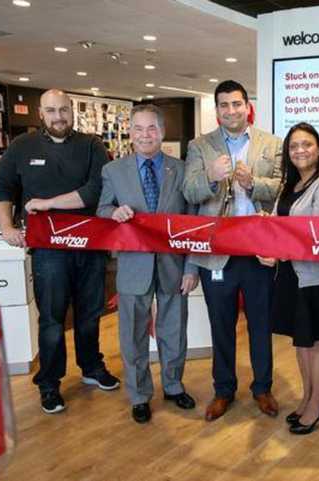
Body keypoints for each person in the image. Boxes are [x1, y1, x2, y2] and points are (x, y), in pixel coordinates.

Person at [0, 89, 120, 414]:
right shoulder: (22, 146)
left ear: (72, 110)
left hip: (89, 245)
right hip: (48, 250)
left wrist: (48, 204)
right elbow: (3, 187)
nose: (58, 116)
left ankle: (91, 367)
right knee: (51, 319)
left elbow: (95, 192)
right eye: (51, 111)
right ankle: (49, 384)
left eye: (63, 109)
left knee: (90, 314)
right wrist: (8, 227)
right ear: (41, 113)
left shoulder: (91, 145)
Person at [183, 80, 282, 421]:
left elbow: (281, 190)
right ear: (217, 109)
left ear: (246, 106)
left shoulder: (271, 143)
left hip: (258, 252)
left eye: (236, 104)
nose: (231, 111)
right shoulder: (199, 146)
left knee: (260, 323)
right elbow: (189, 192)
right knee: (220, 323)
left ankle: (263, 387)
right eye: (223, 105)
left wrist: (253, 183)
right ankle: (223, 389)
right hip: (216, 253)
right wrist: (210, 176)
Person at [96, 104, 199, 424]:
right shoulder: (113, 171)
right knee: (132, 336)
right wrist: (112, 213)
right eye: (138, 129)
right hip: (132, 268)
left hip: (173, 266)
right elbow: (101, 208)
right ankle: (139, 395)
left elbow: (193, 221)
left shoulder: (180, 169)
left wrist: (192, 267)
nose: (145, 135)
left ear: (162, 132)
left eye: (151, 129)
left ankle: (172, 385)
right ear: (129, 132)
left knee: (174, 332)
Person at [255, 123, 319, 435]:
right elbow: (288, 229)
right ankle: (308, 397)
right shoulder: (290, 183)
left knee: (317, 343)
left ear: (318, 148)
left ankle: (317, 403)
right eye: (293, 146)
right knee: (301, 343)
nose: (300, 151)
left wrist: (280, 254)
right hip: (293, 277)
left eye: (306, 144)